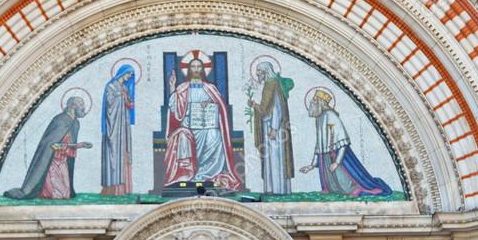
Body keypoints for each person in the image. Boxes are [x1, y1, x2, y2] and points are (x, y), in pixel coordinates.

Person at [164, 56, 240, 191]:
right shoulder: (182, 88)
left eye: (199, 66)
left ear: (203, 69)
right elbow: (175, 110)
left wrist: (210, 104)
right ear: (188, 70)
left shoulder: (210, 88)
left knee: (215, 136)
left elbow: (220, 107)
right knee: (183, 136)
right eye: (193, 67)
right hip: (188, 124)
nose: (196, 69)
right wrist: (172, 88)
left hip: (207, 125)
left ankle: (206, 174)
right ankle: (187, 174)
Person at [300, 89, 391, 197]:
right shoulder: (319, 118)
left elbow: (342, 142)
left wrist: (337, 162)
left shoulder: (331, 116)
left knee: (347, 186)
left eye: (313, 103)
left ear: (320, 103)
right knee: (334, 188)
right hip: (325, 157)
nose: (311, 105)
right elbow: (319, 144)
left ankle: (357, 188)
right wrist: (311, 165)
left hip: (336, 155)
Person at [5, 96, 92, 200]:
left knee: (66, 195)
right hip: (51, 163)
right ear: (72, 105)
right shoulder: (60, 120)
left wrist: (78, 146)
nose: (83, 108)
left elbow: (69, 146)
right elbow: (52, 145)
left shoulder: (75, 123)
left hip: (63, 162)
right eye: (81, 104)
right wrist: (78, 145)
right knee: (58, 196)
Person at [247, 60, 293, 195]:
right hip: (270, 126)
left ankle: (278, 190)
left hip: (275, 129)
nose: (257, 74)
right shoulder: (270, 84)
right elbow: (267, 108)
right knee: (270, 160)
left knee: (275, 159)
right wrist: (255, 105)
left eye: (259, 71)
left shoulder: (272, 84)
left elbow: (277, 109)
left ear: (265, 71)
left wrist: (274, 128)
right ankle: (271, 188)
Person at [101, 65, 136, 196]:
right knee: (114, 153)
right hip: (114, 126)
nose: (130, 77)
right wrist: (119, 96)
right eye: (129, 74)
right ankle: (112, 188)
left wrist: (127, 99)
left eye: (131, 75)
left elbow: (129, 105)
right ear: (122, 73)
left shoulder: (125, 88)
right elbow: (109, 106)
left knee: (124, 152)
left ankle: (124, 188)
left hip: (124, 126)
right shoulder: (110, 86)